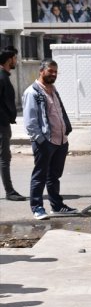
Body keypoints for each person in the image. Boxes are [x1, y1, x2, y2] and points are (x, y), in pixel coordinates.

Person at [22, 59, 77, 220]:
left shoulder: (53, 90)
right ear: (41, 71)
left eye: (55, 72)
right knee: (40, 176)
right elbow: (30, 122)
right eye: (50, 71)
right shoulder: (32, 92)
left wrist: (65, 133)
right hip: (45, 142)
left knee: (54, 177)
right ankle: (37, 207)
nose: (53, 74)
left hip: (60, 141)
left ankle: (57, 206)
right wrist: (41, 140)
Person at [0, 46, 25, 201]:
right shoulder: (1, 77)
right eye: (15, 58)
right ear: (10, 59)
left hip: (3, 124)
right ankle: (9, 191)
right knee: (4, 158)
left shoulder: (4, 76)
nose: (16, 60)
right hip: (1, 125)